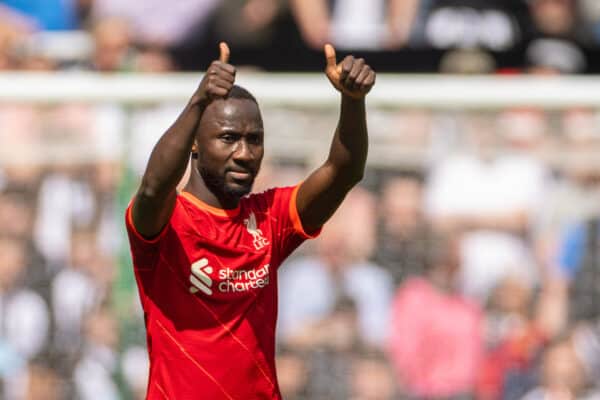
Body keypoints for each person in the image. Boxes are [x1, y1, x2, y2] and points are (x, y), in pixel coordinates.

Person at [124, 41, 375, 398]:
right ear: (195, 144)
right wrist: (198, 101)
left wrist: (352, 101)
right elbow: (151, 189)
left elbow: (344, 171)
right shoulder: (167, 222)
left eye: (254, 140)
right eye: (228, 138)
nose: (244, 153)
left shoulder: (270, 217)